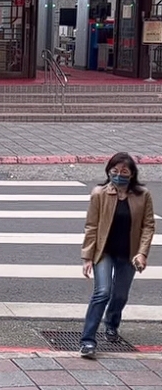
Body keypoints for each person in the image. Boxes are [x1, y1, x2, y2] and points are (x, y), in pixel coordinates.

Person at [78, 153, 155, 358]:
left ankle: (111, 324)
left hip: (129, 253)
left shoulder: (143, 195)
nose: (118, 175)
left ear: (132, 174)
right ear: (108, 172)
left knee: (120, 294)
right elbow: (91, 226)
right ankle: (87, 341)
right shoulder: (99, 194)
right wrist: (87, 257)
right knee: (102, 292)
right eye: (114, 171)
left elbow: (148, 226)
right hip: (104, 251)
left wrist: (142, 252)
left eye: (124, 172)